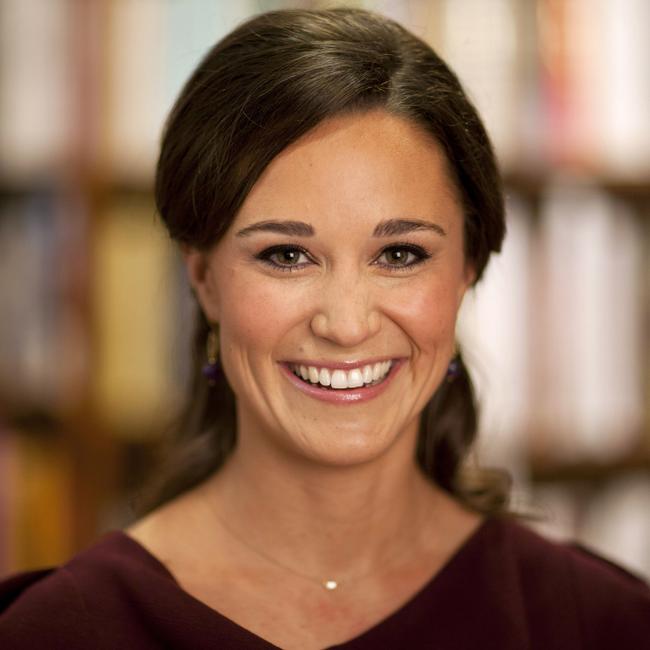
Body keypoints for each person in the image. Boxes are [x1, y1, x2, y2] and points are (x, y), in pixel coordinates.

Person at [1, 8, 649, 649]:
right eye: (286, 255)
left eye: (400, 255)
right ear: (202, 277)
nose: (345, 324)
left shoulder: (599, 622)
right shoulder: (60, 631)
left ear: (467, 270)